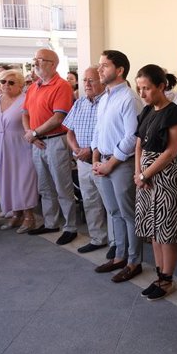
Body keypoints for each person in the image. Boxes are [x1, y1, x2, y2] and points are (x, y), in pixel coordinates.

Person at [133, 64, 177, 299]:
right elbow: (139, 145)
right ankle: (158, 274)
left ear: (162, 86)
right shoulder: (147, 111)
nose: (142, 94)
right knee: (153, 229)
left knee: (166, 229)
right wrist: (138, 173)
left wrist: (146, 174)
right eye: (139, 89)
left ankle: (167, 278)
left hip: (166, 176)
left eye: (146, 88)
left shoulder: (174, 113)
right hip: (145, 177)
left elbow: (171, 151)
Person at [92, 49, 143, 283]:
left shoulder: (129, 98)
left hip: (120, 163)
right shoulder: (104, 97)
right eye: (99, 65)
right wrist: (95, 158)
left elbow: (132, 137)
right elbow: (98, 131)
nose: (99, 69)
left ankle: (134, 261)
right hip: (102, 161)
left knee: (128, 213)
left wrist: (110, 163)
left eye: (105, 65)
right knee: (113, 213)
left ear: (120, 70)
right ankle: (119, 256)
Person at [22, 49, 77, 245]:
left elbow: (58, 117)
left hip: (56, 140)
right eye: (34, 59)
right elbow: (25, 113)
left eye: (39, 60)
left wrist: (35, 133)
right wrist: (31, 134)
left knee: (62, 185)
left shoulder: (61, 86)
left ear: (53, 64)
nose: (35, 63)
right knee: (44, 186)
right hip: (37, 142)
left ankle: (70, 227)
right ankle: (51, 221)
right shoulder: (33, 87)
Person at [63, 65, 112, 254]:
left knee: (110, 205)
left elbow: (111, 134)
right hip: (83, 162)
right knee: (90, 201)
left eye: (91, 80)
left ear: (101, 80)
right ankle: (98, 238)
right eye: (84, 80)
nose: (87, 84)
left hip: (102, 161)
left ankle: (116, 244)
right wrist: (76, 149)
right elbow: (69, 131)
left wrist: (90, 151)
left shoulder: (107, 102)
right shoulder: (80, 103)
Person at [0, 69, 38, 233]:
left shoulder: (25, 99)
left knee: (24, 179)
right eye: (3, 81)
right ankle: (16, 213)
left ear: (21, 85)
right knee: (7, 178)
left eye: (11, 82)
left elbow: (32, 121)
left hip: (21, 145)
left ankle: (29, 216)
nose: (6, 85)